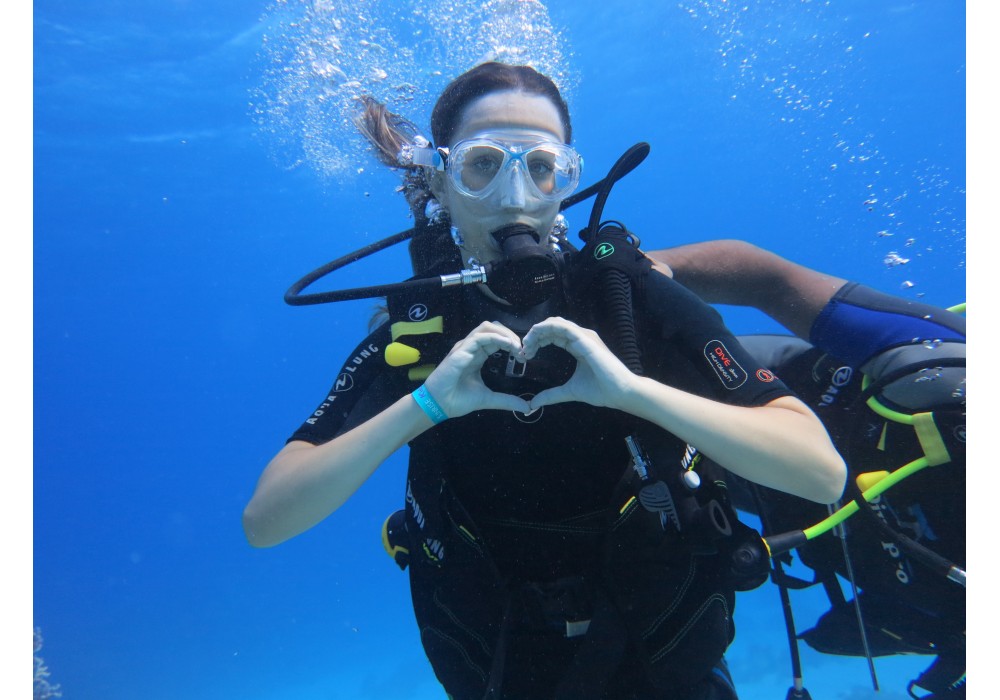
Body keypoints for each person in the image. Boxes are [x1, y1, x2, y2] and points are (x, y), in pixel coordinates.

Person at [242, 63, 846, 700]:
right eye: (482, 164)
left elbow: (819, 471)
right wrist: (425, 403)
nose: (514, 197)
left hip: (666, 658)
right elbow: (267, 519)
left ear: (566, 178)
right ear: (441, 182)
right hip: (500, 666)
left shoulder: (629, 299)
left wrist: (632, 391)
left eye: (540, 166)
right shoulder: (418, 337)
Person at [649, 239, 966, 698]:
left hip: (775, 499)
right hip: (777, 394)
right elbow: (766, 280)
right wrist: (630, 278)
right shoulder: (944, 369)